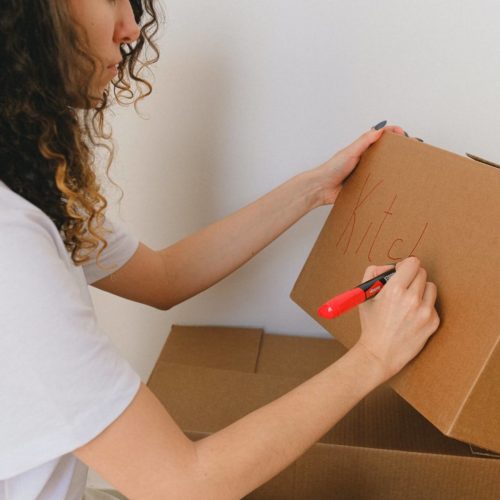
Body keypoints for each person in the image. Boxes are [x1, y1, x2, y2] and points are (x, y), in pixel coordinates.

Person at [0, 1, 440, 499]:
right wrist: (376, 357)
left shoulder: (28, 182)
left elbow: (165, 277)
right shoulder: (10, 245)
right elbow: (185, 486)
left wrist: (315, 187)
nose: (129, 29)